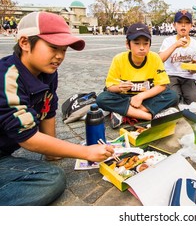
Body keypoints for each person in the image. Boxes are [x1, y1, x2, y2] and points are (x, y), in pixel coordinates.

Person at [0, 11, 114, 206]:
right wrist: (85, 152)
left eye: (64, 49)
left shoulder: (48, 72)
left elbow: (48, 109)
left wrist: (52, 151)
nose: (60, 56)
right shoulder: (8, 78)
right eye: (53, 47)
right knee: (51, 178)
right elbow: (28, 138)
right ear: (25, 43)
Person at [96, 22, 179, 128]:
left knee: (172, 96)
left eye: (145, 43)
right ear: (128, 44)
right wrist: (119, 87)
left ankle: (125, 113)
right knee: (102, 98)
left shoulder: (155, 58)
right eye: (136, 43)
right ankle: (149, 116)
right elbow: (110, 86)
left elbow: (162, 85)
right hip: (124, 96)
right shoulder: (119, 59)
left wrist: (141, 96)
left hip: (146, 97)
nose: (142, 48)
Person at [158, 10, 196, 106]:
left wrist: (194, 68)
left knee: (194, 100)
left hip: (188, 77)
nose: (183, 25)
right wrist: (175, 45)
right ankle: (177, 92)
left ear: (191, 26)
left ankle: (189, 90)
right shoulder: (168, 41)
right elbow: (159, 59)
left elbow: (195, 68)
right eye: (180, 22)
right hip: (171, 75)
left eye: (187, 23)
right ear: (174, 25)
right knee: (173, 99)